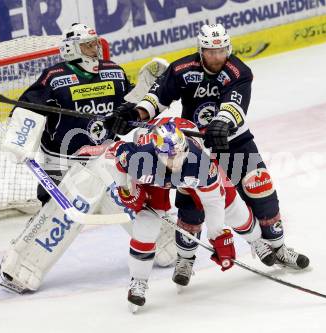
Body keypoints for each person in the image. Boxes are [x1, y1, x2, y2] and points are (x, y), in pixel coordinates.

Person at [107, 23, 309, 270]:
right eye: (211, 51)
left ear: (229, 47)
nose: (217, 56)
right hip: (193, 146)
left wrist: (222, 123)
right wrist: (136, 113)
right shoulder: (181, 69)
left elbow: (234, 105)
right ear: (200, 50)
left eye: (222, 50)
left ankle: (278, 247)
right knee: (191, 203)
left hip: (235, 141)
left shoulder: (239, 72)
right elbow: (158, 98)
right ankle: (185, 259)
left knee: (260, 186)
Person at [0, 23, 171, 293]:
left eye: (95, 43)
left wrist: (146, 96)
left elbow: (125, 110)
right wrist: (19, 138)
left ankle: (166, 243)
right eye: (88, 45)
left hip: (105, 160)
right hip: (62, 163)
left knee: (126, 199)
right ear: (71, 49)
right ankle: (21, 265)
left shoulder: (113, 71)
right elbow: (28, 107)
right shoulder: (54, 78)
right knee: (56, 214)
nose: (95, 50)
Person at [109, 118, 268, 311]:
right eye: (170, 157)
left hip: (190, 174)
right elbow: (118, 157)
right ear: (158, 153)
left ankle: (257, 241)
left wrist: (218, 234)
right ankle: (138, 281)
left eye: (180, 154)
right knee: (145, 226)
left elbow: (213, 201)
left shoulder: (199, 162)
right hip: (154, 180)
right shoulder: (140, 159)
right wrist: (124, 188)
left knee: (231, 206)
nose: (176, 161)